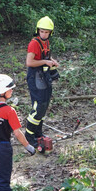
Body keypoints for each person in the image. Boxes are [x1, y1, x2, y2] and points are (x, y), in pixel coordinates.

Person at [25, 16, 60, 152]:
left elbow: (46, 57)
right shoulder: (34, 43)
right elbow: (29, 62)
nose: (44, 34)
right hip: (34, 76)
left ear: (50, 33)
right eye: (42, 31)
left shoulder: (46, 42)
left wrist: (53, 61)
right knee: (38, 106)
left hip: (43, 75)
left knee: (44, 105)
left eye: (47, 32)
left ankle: (38, 134)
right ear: (38, 30)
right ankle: (29, 135)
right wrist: (45, 62)